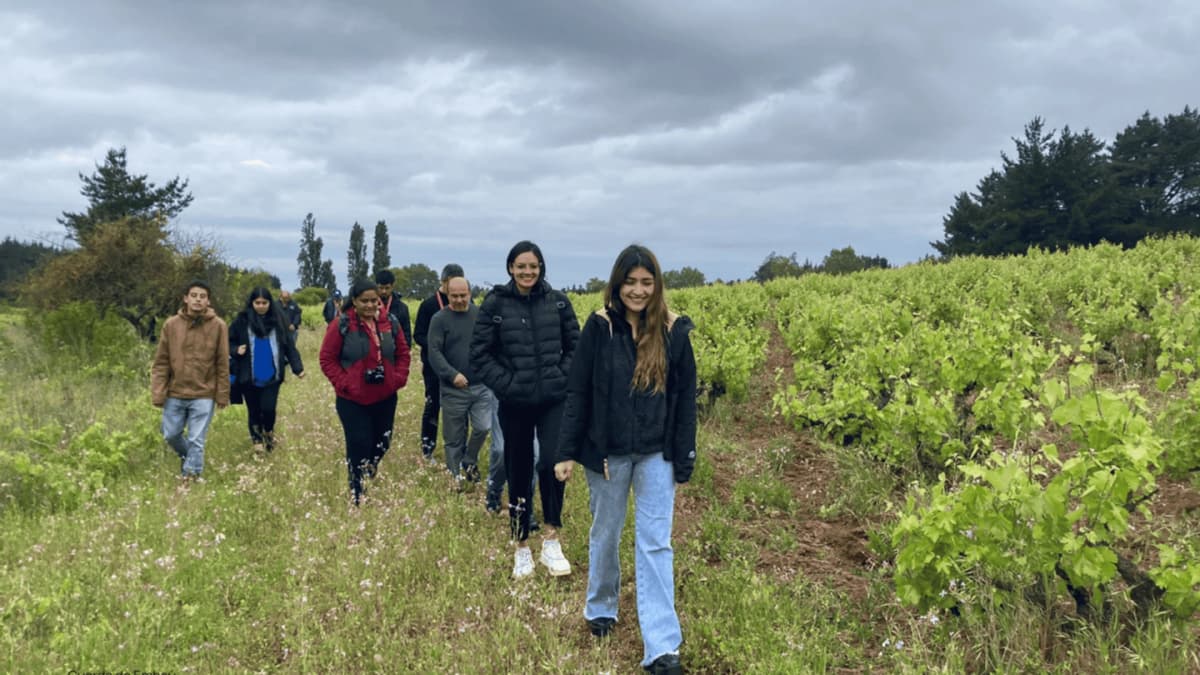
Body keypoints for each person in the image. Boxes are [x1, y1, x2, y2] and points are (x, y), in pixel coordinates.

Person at [554, 245, 696, 675]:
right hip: (608, 453)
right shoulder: (600, 328)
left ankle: (662, 647)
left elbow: (685, 399)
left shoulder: (674, 331)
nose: (638, 291)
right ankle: (601, 607)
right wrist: (565, 450)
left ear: (657, 286)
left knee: (655, 543)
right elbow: (578, 390)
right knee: (606, 531)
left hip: (657, 453)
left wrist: (684, 454)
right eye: (630, 282)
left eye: (646, 283)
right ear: (618, 284)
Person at [470, 240, 580, 579]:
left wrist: (560, 377)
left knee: (552, 463)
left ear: (541, 267)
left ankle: (551, 537)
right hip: (515, 402)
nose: (527, 272)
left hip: (552, 400)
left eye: (533, 266)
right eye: (521, 266)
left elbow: (575, 346)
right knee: (518, 468)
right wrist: (506, 383)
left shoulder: (558, 302)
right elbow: (480, 354)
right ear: (510, 269)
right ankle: (520, 545)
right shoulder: (495, 304)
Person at [319, 279, 411, 504]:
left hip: (385, 395)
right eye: (365, 301)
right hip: (353, 399)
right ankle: (357, 492)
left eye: (374, 301)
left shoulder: (390, 322)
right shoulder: (341, 324)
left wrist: (397, 379)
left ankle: (369, 470)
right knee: (359, 442)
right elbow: (327, 359)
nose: (370, 306)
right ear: (355, 301)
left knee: (383, 442)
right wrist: (345, 383)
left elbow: (403, 353)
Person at [150, 280, 230, 482]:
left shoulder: (218, 326)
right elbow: (161, 361)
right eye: (194, 295)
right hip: (175, 392)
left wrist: (222, 394)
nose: (198, 300)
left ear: (208, 301)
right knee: (170, 434)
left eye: (202, 296)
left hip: (204, 392)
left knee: (196, 439)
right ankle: (190, 460)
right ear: (185, 298)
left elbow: (222, 362)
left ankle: (190, 477)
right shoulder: (171, 325)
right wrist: (158, 392)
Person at [427, 276, 491, 487]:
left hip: (481, 386)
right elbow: (434, 352)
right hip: (453, 389)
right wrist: (452, 374)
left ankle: (469, 459)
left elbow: (489, 345)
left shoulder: (480, 315)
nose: (459, 300)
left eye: (463, 295)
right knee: (453, 438)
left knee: (483, 427)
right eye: (454, 296)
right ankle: (455, 477)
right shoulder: (439, 319)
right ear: (447, 295)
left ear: (470, 294)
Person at [229, 287, 305, 452]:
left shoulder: (278, 322)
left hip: (272, 375)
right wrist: (235, 350)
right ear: (252, 303)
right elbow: (227, 342)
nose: (261, 306)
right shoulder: (242, 321)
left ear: (270, 303)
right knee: (254, 409)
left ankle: (268, 433)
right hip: (248, 375)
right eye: (257, 303)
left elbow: (289, 347)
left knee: (268, 409)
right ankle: (257, 442)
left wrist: (297, 368)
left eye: (265, 302)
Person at [413, 263, 463, 462]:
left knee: (460, 409)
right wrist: (437, 346)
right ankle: (428, 449)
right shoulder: (429, 305)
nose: (457, 292)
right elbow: (418, 335)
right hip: (434, 367)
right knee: (433, 406)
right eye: (452, 285)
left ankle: (459, 450)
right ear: (443, 282)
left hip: (458, 367)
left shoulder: (463, 303)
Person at [373, 269, 413, 352]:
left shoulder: (402, 308)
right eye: (381, 288)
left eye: (387, 288)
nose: (384, 291)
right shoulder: (369, 306)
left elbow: (407, 335)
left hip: (394, 354)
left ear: (392, 286)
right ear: (376, 286)